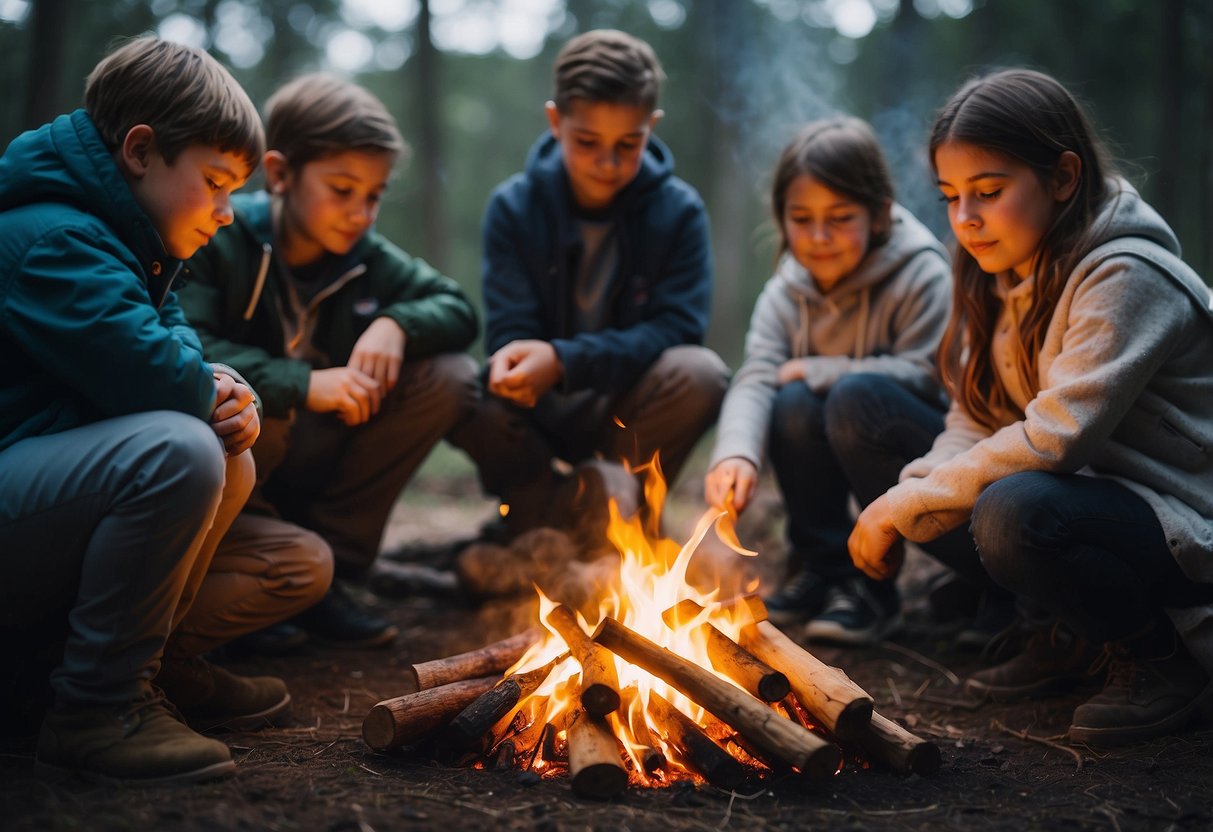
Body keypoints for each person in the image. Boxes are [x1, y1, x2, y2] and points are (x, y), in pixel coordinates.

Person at [848, 69, 1213, 747]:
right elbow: (974, 418)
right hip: (1095, 499)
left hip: (1181, 519)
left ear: (1063, 177)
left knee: (1013, 510)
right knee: (866, 410)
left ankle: (1163, 665)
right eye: (950, 197)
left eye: (987, 193)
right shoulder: (1004, 269)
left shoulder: (1126, 275)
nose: (964, 219)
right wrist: (913, 488)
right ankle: (1067, 630)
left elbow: (1053, 439)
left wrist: (900, 508)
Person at [0, 37, 325, 785]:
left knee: (220, 449)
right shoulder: (51, 239)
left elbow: (169, 336)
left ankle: (131, 674)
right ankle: (96, 710)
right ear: (140, 151)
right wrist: (206, 387)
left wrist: (220, 386)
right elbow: (149, 368)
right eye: (215, 183)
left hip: (33, 486)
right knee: (176, 449)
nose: (228, 212)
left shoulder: (123, 239)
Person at [179, 74, 479, 649]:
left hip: (326, 449)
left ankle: (330, 581)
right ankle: (243, 582)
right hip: (244, 453)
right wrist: (303, 383)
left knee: (451, 375)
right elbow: (188, 341)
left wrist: (397, 323)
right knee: (255, 401)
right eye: (342, 189)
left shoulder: (367, 257)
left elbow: (460, 309)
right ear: (280, 174)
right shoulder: (220, 231)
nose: (361, 212)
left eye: (374, 194)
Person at [450, 29, 728, 546]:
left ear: (653, 126)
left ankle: (621, 511)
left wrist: (566, 359)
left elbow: (677, 329)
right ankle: (540, 510)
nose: (608, 162)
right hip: (538, 410)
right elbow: (509, 330)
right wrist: (528, 363)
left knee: (701, 372)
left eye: (628, 144)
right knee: (464, 386)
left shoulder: (679, 212)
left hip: (628, 409)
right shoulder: (513, 207)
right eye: (588, 143)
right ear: (555, 122)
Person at [703, 117, 951, 645]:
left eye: (840, 218)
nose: (818, 238)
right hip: (846, 423)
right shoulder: (786, 290)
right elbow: (756, 376)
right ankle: (826, 572)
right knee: (789, 401)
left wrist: (827, 371)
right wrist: (736, 454)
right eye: (802, 218)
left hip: (925, 446)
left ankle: (873, 587)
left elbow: (933, 376)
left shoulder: (923, 274)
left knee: (847, 396)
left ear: (879, 213)